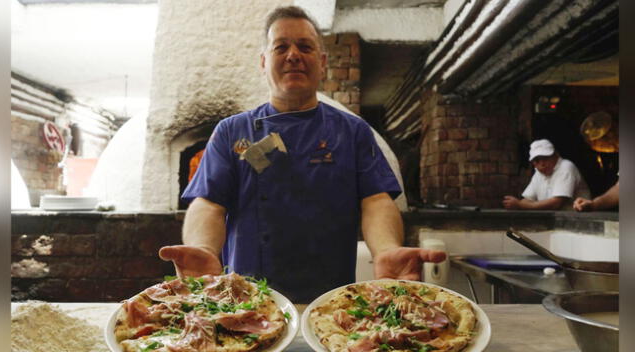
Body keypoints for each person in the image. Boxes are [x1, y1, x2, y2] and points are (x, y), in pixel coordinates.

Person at [158, 6, 445, 303]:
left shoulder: (353, 131)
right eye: (281, 47)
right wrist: (203, 249)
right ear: (263, 61)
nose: (293, 54)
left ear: (321, 63)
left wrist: (386, 249)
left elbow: (376, 201)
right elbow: (209, 202)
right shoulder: (232, 132)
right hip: (247, 301)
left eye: (305, 47)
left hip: (330, 303)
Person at [503, 139, 590, 210]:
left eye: (545, 158)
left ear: (555, 155)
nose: (542, 164)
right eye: (537, 161)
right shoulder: (538, 173)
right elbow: (527, 200)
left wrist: (520, 206)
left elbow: (556, 203)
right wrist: (521, 204)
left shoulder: (566, 166)